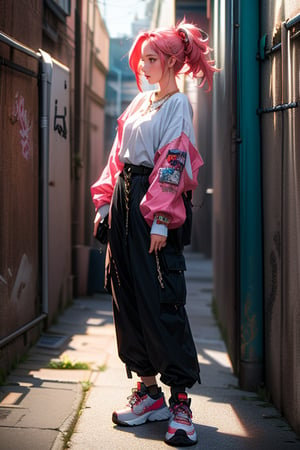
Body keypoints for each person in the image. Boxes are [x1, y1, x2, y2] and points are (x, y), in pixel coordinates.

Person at [91, 20, 218, 447]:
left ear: (170, 62)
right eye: (142, 59)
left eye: (152, 59)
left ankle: (180, 404)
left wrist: (162, 218)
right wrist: (105, 203)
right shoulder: (141, 103)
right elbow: (116, 157)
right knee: (124, 296)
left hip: (153, 206)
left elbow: (173, 161)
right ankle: (149, 393)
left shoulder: (177, 106)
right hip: (126, 201)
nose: (144, 67)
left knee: (161, 298)